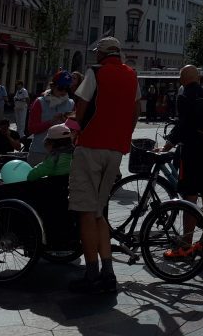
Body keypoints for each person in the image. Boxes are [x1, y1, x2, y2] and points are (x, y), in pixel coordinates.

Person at [69, 37, 140, 294]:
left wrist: (73, 129)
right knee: (99, 210)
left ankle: (91, 273)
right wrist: (124, 135)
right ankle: (108, 271)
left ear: (101, 54)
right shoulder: (132, 75)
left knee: (86, 212)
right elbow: (136, 111)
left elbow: (81, 109)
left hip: (91, 146)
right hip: (116, 150)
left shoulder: (96, 73)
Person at [162, 65, 203, 258]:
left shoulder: (185, 95)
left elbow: (183, 125)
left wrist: (167, 145)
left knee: (189, 198)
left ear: (183, 79)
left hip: (191, 153)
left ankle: (185, 245)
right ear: (199, 77)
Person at [28, 72, 75, 166]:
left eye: (67, 89)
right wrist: (51, 122)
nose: (64, 92)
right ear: (53, 86)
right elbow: (31, 128)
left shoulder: (71, 103)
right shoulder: (40, 102)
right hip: (40, 152)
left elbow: (75, 128)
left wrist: (66, 122)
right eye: (61, 88)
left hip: (63, 154)